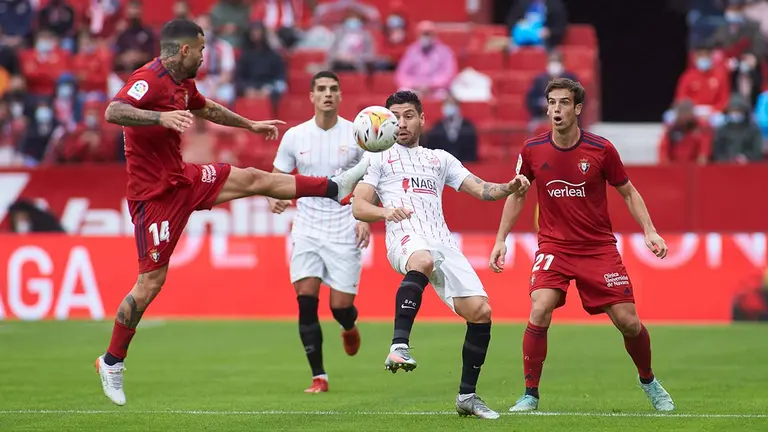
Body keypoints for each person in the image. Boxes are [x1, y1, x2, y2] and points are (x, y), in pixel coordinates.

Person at [94, 19, 369, 406]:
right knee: (150, 285)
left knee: (256, 178)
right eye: (202, 49)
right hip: (154, 197)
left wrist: (251, 124)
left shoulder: (181, 83)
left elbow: (207, 108)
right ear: (185, 49)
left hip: (184, 178)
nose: (206, 56)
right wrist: (159, 117)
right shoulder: (150, 78)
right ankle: (111, 361)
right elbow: (113, 110)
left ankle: (333, 187)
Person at [488, 78, 675, 412]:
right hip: (554, 247)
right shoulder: (532, 149)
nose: (556, 109)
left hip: (597, 248)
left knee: (628, 322)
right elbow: (518, 194)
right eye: (552, 103)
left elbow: (628, 192)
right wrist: (501, 239)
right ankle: (530, 394)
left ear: (577, 109)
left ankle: (648, 380)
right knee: (540, 306)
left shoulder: (601, 149)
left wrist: (650, 231)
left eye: (564, 103)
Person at [351, 90, 529, 419]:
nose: (401, 123)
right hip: (404, 237)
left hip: (442, 242)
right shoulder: (378, 158)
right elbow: (359, 205)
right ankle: (398, 346)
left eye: (407, 116)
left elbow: (481, 190)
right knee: (421, 260)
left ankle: (467, 396)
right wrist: (385, 212)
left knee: (481, 311)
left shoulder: (440, 159)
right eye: (394, 117)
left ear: (422, 119)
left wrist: (509, 188)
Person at [268, 71, 369, 393]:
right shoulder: (295, 136)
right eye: (321, 89)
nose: (328, 94)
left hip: (344, 225)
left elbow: (372, 178)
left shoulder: (358, 133)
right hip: (308, 226)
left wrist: (364, 217)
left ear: (340, 96)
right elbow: (278, 176)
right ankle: (319, 376)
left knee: (339, 307)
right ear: (311, 96)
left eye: (333, 89)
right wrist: (276, 197)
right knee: (306, 299)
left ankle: (348, 325)